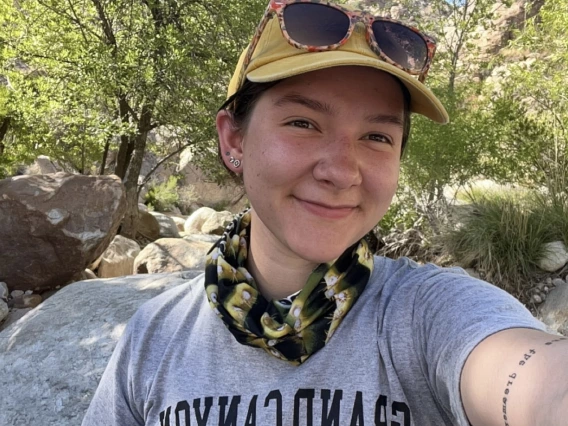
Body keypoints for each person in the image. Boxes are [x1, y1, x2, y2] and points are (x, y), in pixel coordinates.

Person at [82, 1, 568, 425]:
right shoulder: (155, 337)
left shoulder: (429, 311)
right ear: (234, 140)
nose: (342, 171)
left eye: (377, 137)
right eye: (303, 123)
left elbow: (530, 376)